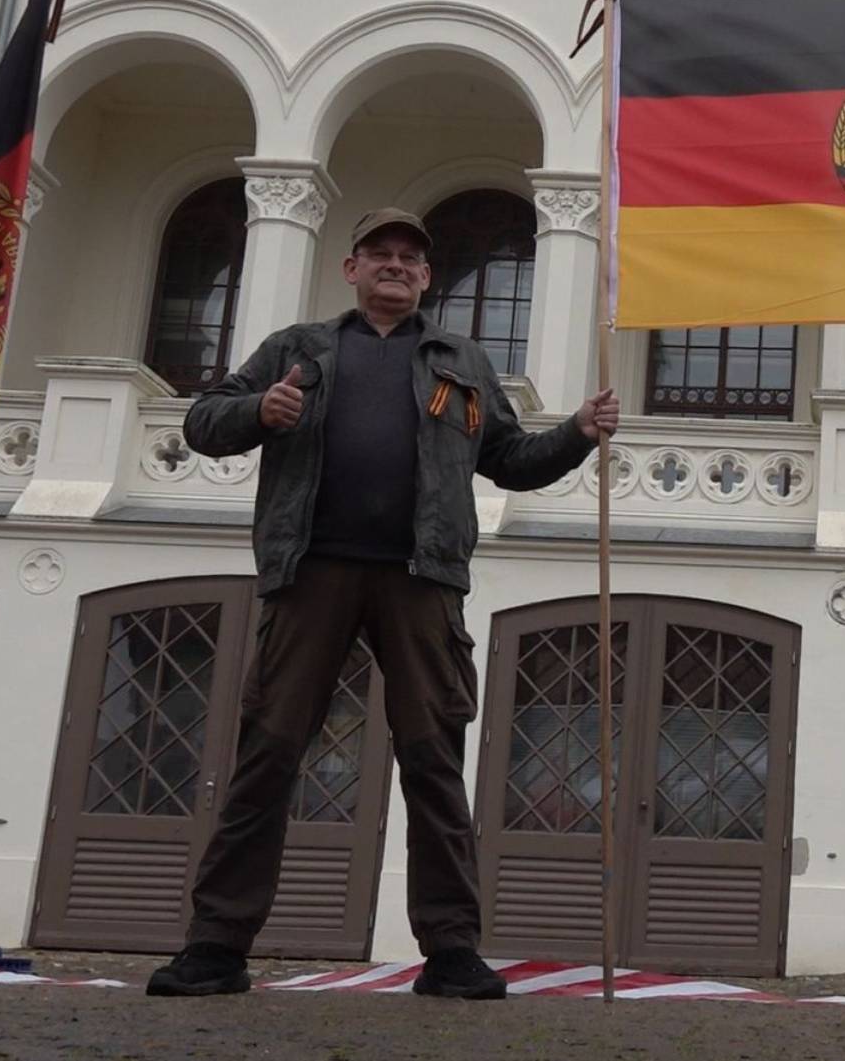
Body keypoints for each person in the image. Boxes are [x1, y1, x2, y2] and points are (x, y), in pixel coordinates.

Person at [146, 207, 620, 999]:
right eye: (379, 254)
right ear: (352, 268)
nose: (395, 265)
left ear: (426, 277)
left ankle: (452, 951)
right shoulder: (295, 349)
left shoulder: (461, 359)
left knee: (433, 763)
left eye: (409, 257)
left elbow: (511, 459)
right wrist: (258, 411)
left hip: (421, 578)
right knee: (267, 757)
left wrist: (575, 430)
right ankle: (216, 945)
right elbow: (202, 423)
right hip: (311, 572)